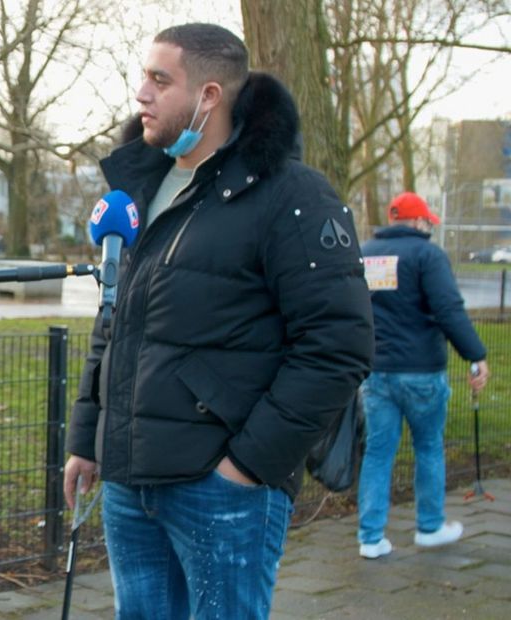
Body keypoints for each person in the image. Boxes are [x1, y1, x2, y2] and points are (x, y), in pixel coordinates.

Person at [63, 23, 373, 619]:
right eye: (143, 77)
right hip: (130, 483)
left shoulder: (293, 197)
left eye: (160, 79)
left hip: (222, 488)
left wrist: (247, 466)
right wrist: (87, 439)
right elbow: (116, 321)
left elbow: (340, 345)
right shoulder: (141, 190)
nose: (141, 94)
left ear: (209, 95)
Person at [355, 192, 490, 559]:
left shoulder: (366, 254)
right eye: (427, 221)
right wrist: (476, 356)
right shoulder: (427, 256)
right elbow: (448, 309)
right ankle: (429, 527)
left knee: (378, 452)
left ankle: (370, 537)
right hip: (421, 372)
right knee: (428, 446)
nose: (429, 226)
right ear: (416, 222)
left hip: (377, 371)